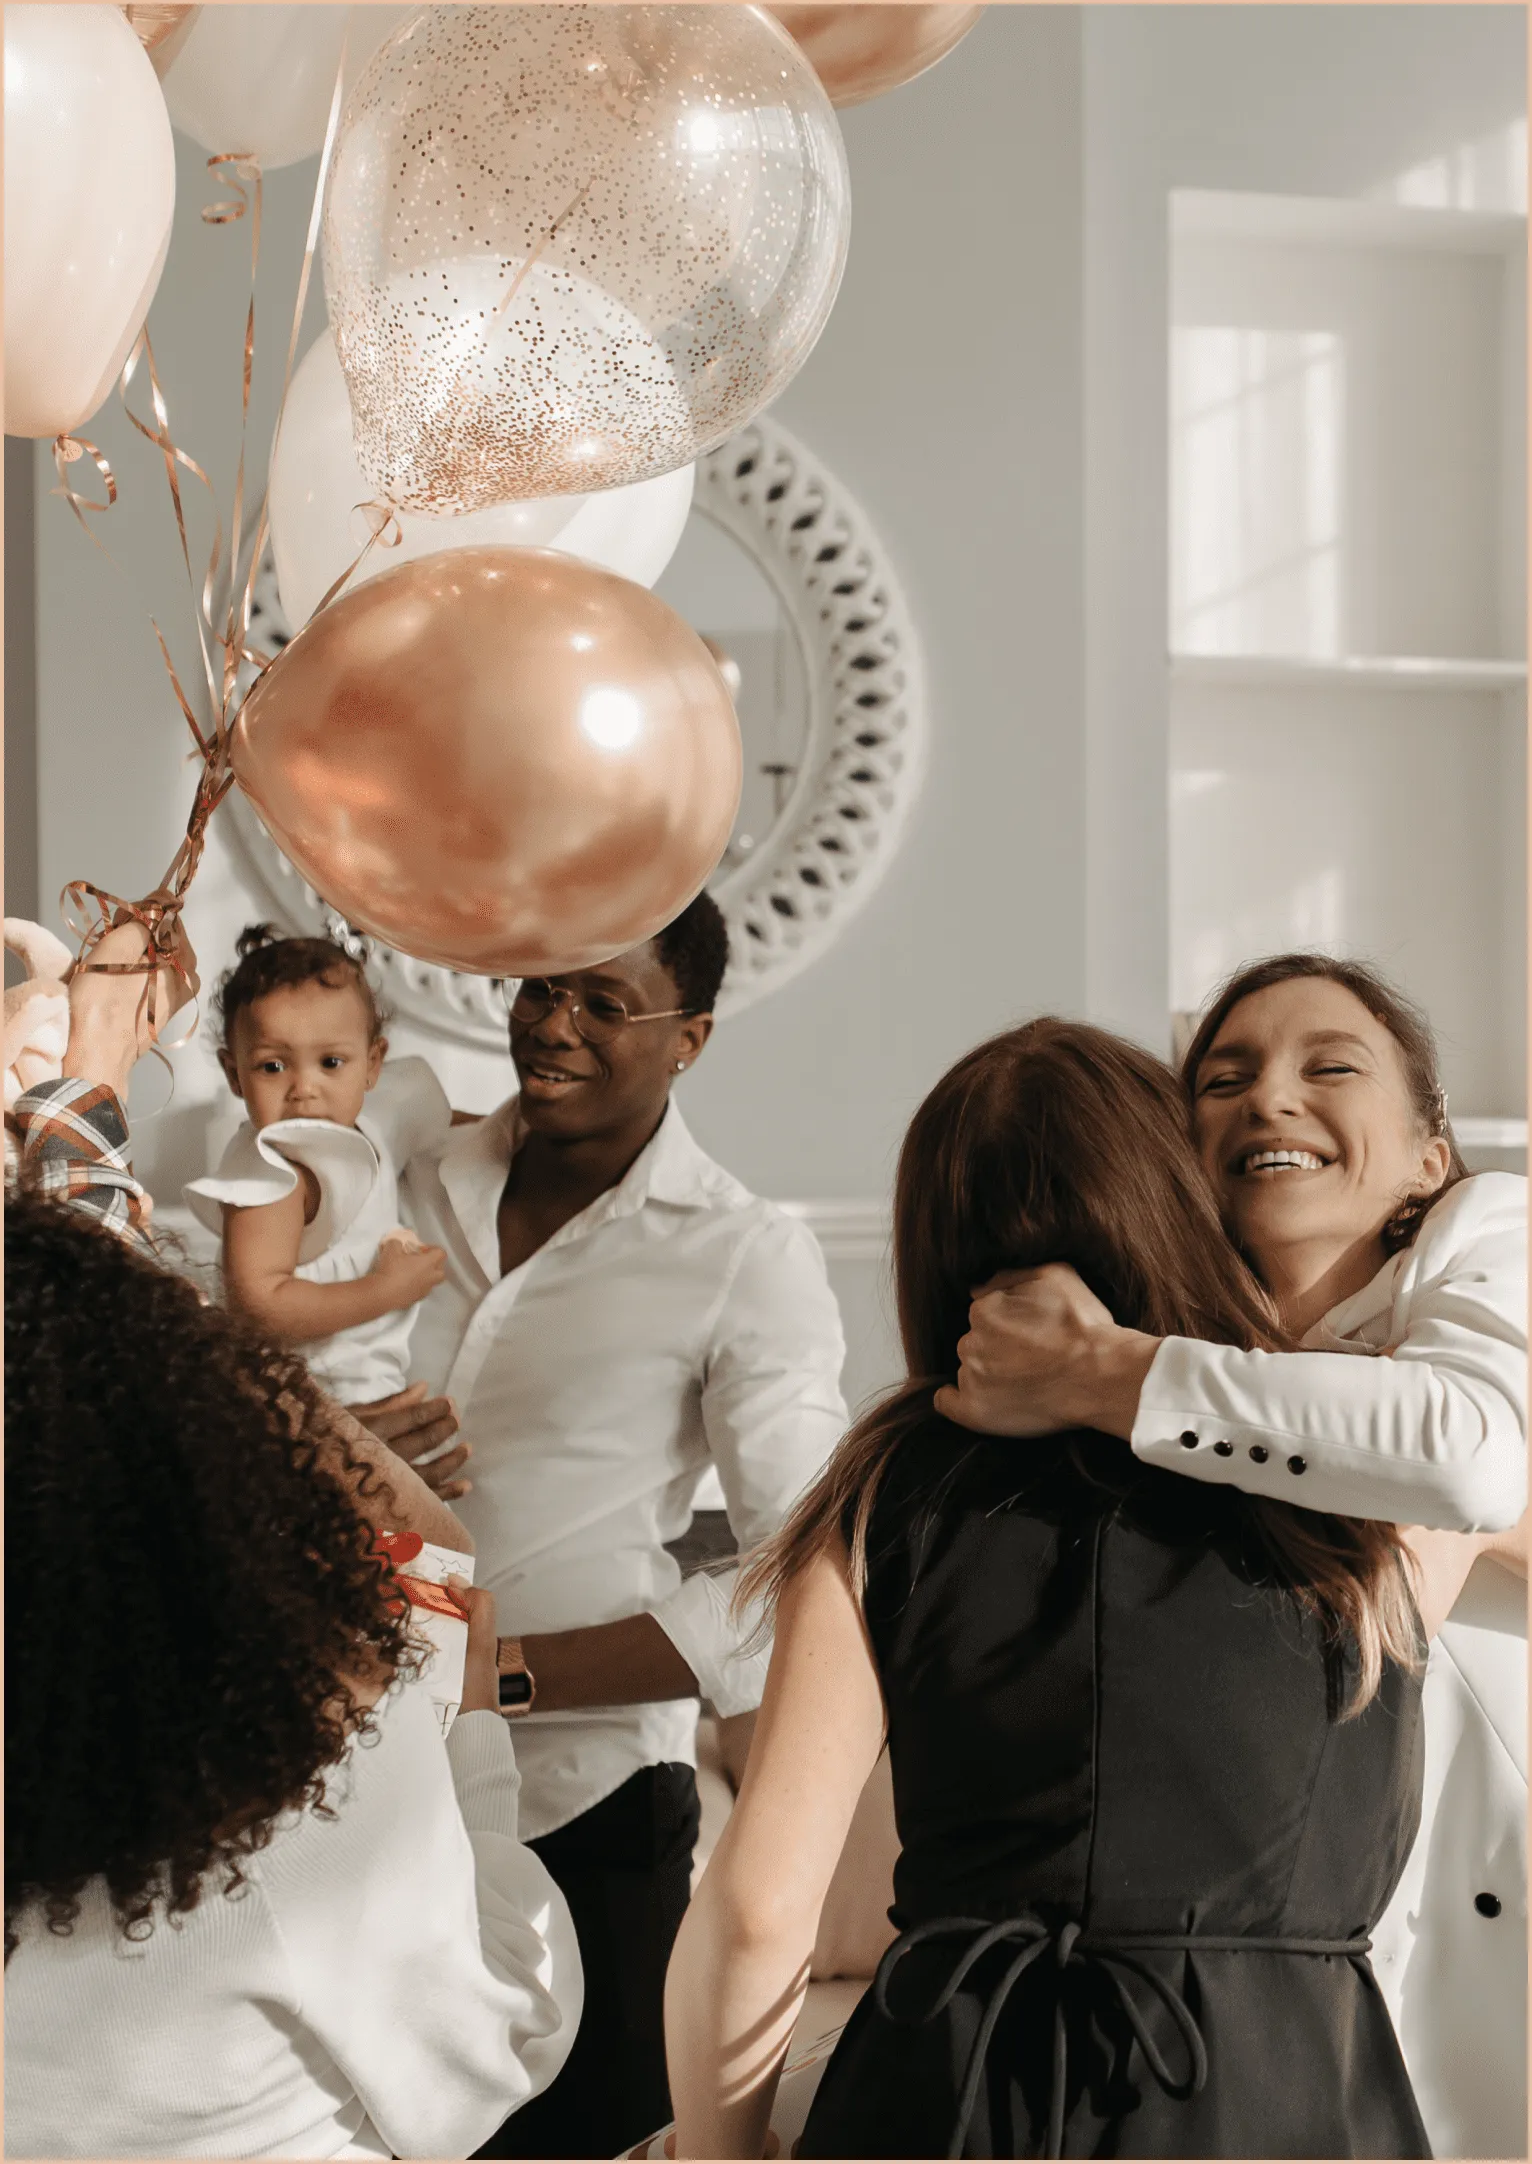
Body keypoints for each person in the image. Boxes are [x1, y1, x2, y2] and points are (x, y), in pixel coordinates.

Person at [664, 1018, 1486, 2160]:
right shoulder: (1359, 1459)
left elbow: (756, 1908)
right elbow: (1479, 1455)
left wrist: (720, 2154)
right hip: (1275, 2094)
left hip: (942, 2084)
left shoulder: (888, 1486)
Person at [935, 955, 1527, 2157]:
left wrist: (1108, 1374)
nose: (1269, 1097)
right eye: (1222, 1077)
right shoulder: (1171, 1355)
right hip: (1272, 1944)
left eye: (1330, 1065)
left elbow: (1465, 1461)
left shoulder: (1486, 1232)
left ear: (1428, 1150)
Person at [4, 933, 584, 2160]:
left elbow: (70, 1347)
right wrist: (466, 1725)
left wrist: (78, 1095)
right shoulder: (301, 1795)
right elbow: (503, 2040)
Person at [399, 891, 848, 2160]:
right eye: (543, 987)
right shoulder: (404, 1174)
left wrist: (500, 1678)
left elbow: (797, 1576)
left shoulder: (743, 1254)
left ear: (689, 1036)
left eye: (606, 1001)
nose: (554, 1024)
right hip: (360, 1792)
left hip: (585, 1811)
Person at [185, 924, 452, 1407]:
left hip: (374, 1378)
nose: (304, 1088)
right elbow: (258, 1307)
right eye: (272, 1066)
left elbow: (442, 1114)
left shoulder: (380, 1113)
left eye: (330, 1062)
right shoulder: (273, 1170)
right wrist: (386, 1290)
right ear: (234, 1074)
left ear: (373, 1064)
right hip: (312, 1399)